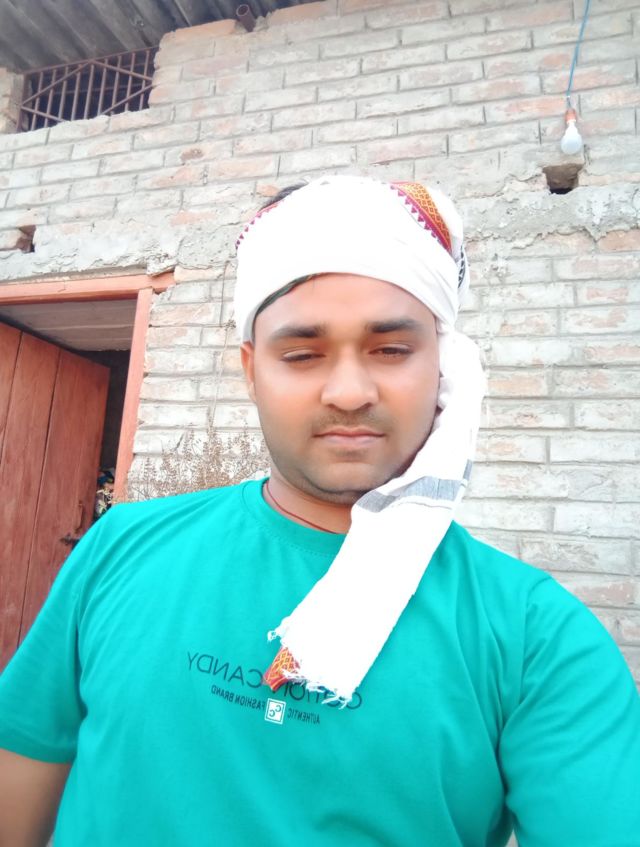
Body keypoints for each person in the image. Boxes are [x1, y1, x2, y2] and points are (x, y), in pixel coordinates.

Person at [0, 175, 638, 847]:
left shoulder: (535, 636)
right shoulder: (122, 547)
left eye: (391, 350)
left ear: (444, 365)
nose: (350, 391)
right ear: (251, 369)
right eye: (302, 354)